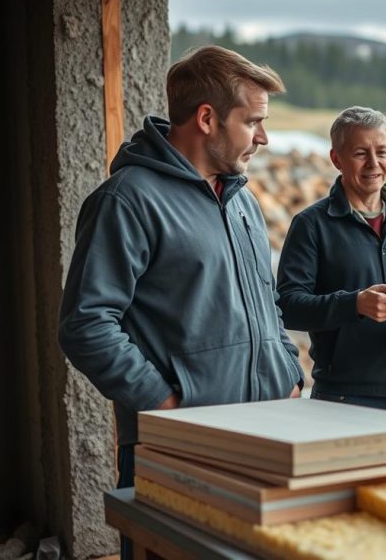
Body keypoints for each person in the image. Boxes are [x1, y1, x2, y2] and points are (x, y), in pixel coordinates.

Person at [58, 46, 304, 543]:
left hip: (264, 435)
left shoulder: (243, 203)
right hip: (176, 446)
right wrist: (166, 403)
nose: (264, 137)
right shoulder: (126, 199)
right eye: (253, 121)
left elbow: (266, 305)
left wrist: (289, 373)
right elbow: (86, 324)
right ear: (207, 118)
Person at [276, 106, 386, 413]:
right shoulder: (311, 225)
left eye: (382, 152)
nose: (374, 163)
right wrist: (354, 304)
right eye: (360, 153)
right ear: (336, 159)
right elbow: (288, 307)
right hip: (342, 399)